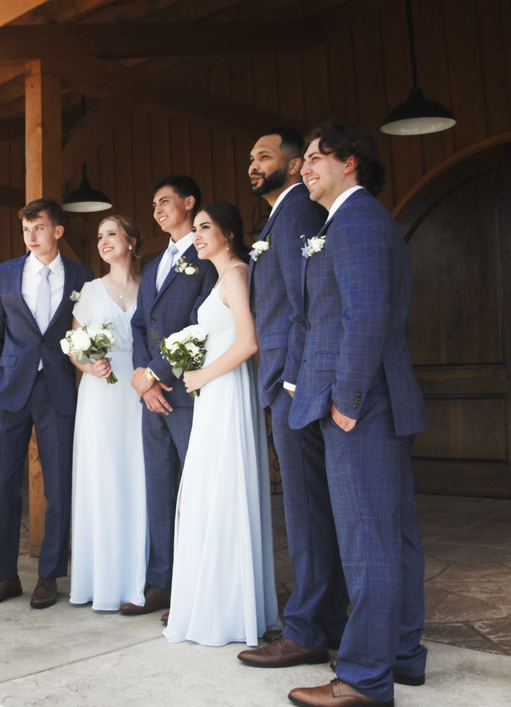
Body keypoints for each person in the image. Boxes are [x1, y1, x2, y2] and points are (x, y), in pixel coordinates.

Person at [286, 121, 428, 707]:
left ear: (351, 163)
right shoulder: (348, 222)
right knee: (392, 537)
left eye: (317, 157)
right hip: (374, 404)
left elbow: (364, 318)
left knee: (368, 542)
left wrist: (346, 400)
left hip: (362, 408)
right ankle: (402, 655)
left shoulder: (358, 220)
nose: (305, 167)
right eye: (305, 159)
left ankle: (365, 678)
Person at [237, 128, 349, 667]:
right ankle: (323, 620)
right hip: (286, 378)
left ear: (293, 162)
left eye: (265, 156)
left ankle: (305, 630)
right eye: (252, 159)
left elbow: (309, 300)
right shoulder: (279, 215)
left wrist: (292, 378)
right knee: (309, 507)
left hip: (294, 381)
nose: (254, 165)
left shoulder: (301, 210)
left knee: (306, 509)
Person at [162, 202, 280, 647]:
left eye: (205, 227)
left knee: (223, 493)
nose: (197, 235)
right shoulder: (220, 277)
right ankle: (214, 601)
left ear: (228, 233)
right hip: (214, 394)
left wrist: (202, 375)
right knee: (208, 494)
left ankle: (229, 610)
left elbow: (249, 343)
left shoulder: (235, 274)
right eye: (194, 229)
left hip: (226, 394)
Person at [0, 197, 94, 609]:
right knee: (5, 484)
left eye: (38, 227)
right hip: (10, 388)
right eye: (26, 228)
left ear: (58, 231)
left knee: (59, 485)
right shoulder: (3, 274)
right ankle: (4, 576)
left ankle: (49, 575)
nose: (31, 235)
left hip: (58, 388)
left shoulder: (83, 277)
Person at [124, 174, 217, 616]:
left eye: (165, 201)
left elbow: (201, 322)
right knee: (158, 486)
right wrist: (144, 378)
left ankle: (194, 586)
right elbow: (139, 323)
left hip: (186, 391)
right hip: (152, 397)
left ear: (189, 203)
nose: (158, 210)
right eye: (154, 204)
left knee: (194, 489)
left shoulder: (205, 258)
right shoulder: (155, 264)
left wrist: (160, 373)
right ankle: (160, 583)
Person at [68, 214, 148, 611]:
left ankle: (140, 577)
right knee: (103, 478)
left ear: (131, 241)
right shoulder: (90, 290)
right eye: (100, 236)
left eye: (111, 234)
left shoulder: (149, 288)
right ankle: (101, 580)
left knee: (137, 476)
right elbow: (73, 344)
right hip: (101, 396)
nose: (103, 241)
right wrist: (88, 366)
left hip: (139, 395)